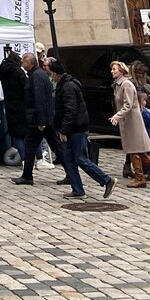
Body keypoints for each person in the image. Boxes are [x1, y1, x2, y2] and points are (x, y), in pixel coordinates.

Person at [47, 59, 115, 200]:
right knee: (69, 159)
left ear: (56, 74)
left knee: (80, 158)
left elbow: (70, 111)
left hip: (76, 129)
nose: (51, 78)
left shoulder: (68, 87)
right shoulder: (65, 85)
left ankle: (107, 180)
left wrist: (64, 130)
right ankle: (77, 189)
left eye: (52, 74)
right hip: (72, 128)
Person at [110, 61, 150, 187]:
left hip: (132, 121)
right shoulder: (119, 85)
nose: (112, 71)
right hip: (127, 120)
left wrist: (116, 116)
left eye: (114, 69)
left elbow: (129, 104)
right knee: (135, 150)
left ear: (122, 71)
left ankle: (141, 177)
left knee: (134, 149)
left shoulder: (126, 84)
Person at [12, 52, 54, 186]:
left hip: (39, 120)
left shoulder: (36, 76)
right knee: (30, 146)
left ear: (29, 63)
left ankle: (71, 173)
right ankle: (27, 175)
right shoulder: (37, 74)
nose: (22, 64)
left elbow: (39, 99)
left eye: (24, 62)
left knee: (55, 146)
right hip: (39, 119)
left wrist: (41, 121)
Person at [128, 61, 150, 178]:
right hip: (137, 116)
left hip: (142, 114)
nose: (143, 77)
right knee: (140, 147)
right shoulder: (132, 83)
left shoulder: (139, 83)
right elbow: (135, 102)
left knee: (141, 147)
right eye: (141, 74)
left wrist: (146, 107)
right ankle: (149, 170)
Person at [0, 49, 28, 159]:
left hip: (10, 106)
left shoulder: (2, 72)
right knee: (27, 134)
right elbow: (26, 88)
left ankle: (23, 159)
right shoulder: (19, 72)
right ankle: (31, 159)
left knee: (17, 136)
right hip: (21, 106)